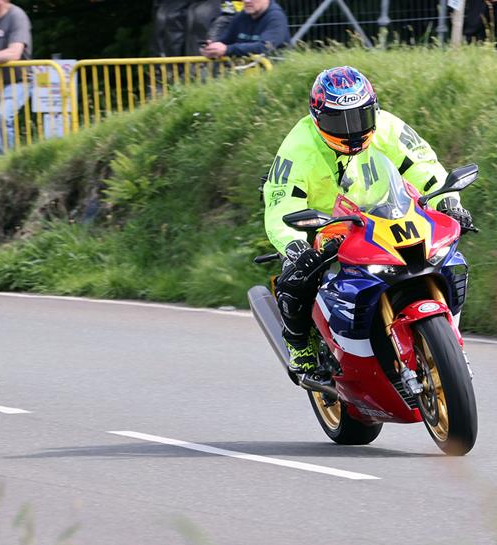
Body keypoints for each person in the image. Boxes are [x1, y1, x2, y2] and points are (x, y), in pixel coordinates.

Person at [261, 66, 474, 373]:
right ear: (317, 117)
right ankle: (300, 347)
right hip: (325, 229)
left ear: (373, 109)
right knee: (295, 280)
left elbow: (425, 167)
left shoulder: (387, 127)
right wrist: (297, 249)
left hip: (389, 213)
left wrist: (450, 203)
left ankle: (446, 338)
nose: (351, 130)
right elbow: (279, 207)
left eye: (359, 117)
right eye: (339, 120)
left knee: (448, 255)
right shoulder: (297, 148)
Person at [0, 0, 31, 155]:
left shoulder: (16, 16)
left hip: (17, 82)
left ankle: (5, 164)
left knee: (0, 117)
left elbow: (14, 53)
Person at [201, 0, 290, 59]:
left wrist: (227, 50)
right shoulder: (242, 16)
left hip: (275, 76)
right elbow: (226, 41)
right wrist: (212, 48)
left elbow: (265, 47)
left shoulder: (276, 17)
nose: (247, 1)